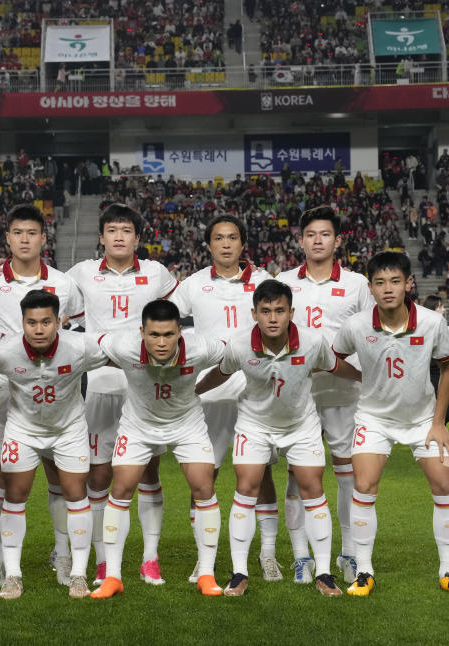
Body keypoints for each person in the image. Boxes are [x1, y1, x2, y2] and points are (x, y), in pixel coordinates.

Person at [198, 280, 360, 596]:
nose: (273, 318)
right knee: (246, 487)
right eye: (266, 311)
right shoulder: (240, 344)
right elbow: (222, 371)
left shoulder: (313, 342)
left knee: (313, 488)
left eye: (280, 311)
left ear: (291, 313)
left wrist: (365, 378)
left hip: (301, 426)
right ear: (254, 313)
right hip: (254, 424)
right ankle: (239, 572)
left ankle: (325, 573)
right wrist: (193, 392)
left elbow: (335, 365)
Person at [332, 251, 449, 597]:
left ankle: (448, 571)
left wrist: (439, 422)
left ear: (408, 283)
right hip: (374, 418)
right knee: (363, 484)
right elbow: (334, 358)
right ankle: (364, 572)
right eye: (379, 283)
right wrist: (361, 379)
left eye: (395, 281)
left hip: (422, 419)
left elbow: (448, 367)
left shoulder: (430, 322)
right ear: (370, 288)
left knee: (443, 482)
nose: (387, 289)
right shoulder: (356, 325)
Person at [66, 203, 178, 586]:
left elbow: (181, 312)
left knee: (148, 471)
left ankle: (150, 558)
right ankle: (101, 559)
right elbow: (41, 293)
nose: (118, 236)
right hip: (99, 385)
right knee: (98, 475)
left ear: (137, 238)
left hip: (144, 387)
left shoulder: (156, 273)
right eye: (111, 229)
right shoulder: (80, 274)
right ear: (101, 237)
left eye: (126, 230)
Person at [170, 215, 283, 582]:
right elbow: (166, 319)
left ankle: (267, 555)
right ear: (208, 245)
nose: (225, 244)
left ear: (243, 242)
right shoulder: (192, 285)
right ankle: (205, 559)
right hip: (210, 393)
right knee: (205, 474)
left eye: (232, 237)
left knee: (260, 472)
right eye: (218, 238)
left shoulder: (266, 281)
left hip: (256, 391)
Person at [90, 299, 226, 599]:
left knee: (204, 487)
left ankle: (206, 573)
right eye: (153, 335)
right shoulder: (123, 345)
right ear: (142, 332)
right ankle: (113, 576)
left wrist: (204, 388)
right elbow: (87, 344)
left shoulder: (202, 347)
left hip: (186, 422)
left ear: (181, 331)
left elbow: (235, 354)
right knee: (122, 488)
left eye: (168, 335)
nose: (161, 342)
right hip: (138, 424)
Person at [0, 204, 83, 586]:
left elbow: (74, 329)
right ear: (7, 238)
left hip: (49, 389)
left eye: (31, 233)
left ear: (43, 238)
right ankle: (6, 557)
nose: (24, 239)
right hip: (0, 387)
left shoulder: (64, 284)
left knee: (59, 472)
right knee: (3, 475)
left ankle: (62, 552)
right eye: (17, 232)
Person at [0, 290, 109, 599]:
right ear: (22, 323)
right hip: (22, 430)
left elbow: (123, 354)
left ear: (59, 321)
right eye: (31, 322)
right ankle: (12, 573)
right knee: (15, 495)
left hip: (69, 431)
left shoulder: (79, 347)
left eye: (46, 322)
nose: (38, 329)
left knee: (77, 495)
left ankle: (77, 571)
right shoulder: (5, 351)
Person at [276, 206, 374, 585]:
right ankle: (302, 556)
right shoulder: (283, 281)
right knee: (298, 476)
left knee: (347, 475)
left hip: (343, 391)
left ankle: (349, 551)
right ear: (301, 240)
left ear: (338, 240)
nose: (318, 241)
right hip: (295, 394)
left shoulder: (356, 284)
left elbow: (369, 335)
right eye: (311, 235)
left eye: (325, 234)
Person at [422, 295, 449, 425]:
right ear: (432, 309)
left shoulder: (426, 326)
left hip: (434, 376)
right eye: (440, 306)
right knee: (444, 413)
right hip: (431, 378)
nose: (444, 310)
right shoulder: (431, 327)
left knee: (444, 413)